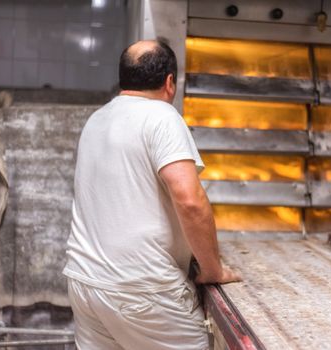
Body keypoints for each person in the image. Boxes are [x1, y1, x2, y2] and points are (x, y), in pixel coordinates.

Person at [62, 39, 241, 350]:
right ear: (170, 82)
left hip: (85, 283)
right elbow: (189, 200)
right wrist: (213, 269)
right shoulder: (161, 117)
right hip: (142, 292)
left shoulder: (97, 120)